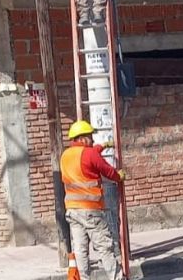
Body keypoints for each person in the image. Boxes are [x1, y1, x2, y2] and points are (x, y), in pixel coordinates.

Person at [60, 119, 127, 280]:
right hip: (90, 210)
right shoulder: (88, 153)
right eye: (90, 137)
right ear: (82, 138)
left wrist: (102, 146)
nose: (93, 140)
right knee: (105, 247)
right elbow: (106, 170)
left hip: (72, 211)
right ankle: (117, 278)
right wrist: (119, 176)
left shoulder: (66, 155)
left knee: (81, 250)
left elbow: (87, 157)